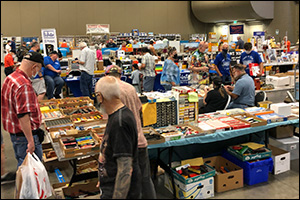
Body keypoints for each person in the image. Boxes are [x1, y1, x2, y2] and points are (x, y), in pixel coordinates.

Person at [105, 65, 157, 198]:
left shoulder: (110, 92)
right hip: (140, 140)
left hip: (124, 145)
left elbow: (109, 120)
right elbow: (140, 109)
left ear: (107, 76)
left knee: (128, 182)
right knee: (145, 178)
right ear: (120, 75)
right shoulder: (130, 88)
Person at [95, 76, 141, 199]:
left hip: (119, 192)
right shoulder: (116, 115)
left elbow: (125, 169)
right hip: (110, 185)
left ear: (100, 96)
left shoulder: (120, 122)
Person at [1, 51, 45, 168]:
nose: (37, 73)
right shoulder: (24, 85)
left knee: (23, 166)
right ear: (34, 67)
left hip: (15, 134)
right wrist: (30, 141)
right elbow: (23, 116)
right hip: (25, 136)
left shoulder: (10, 78)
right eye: (38, 70)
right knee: (30, 171)